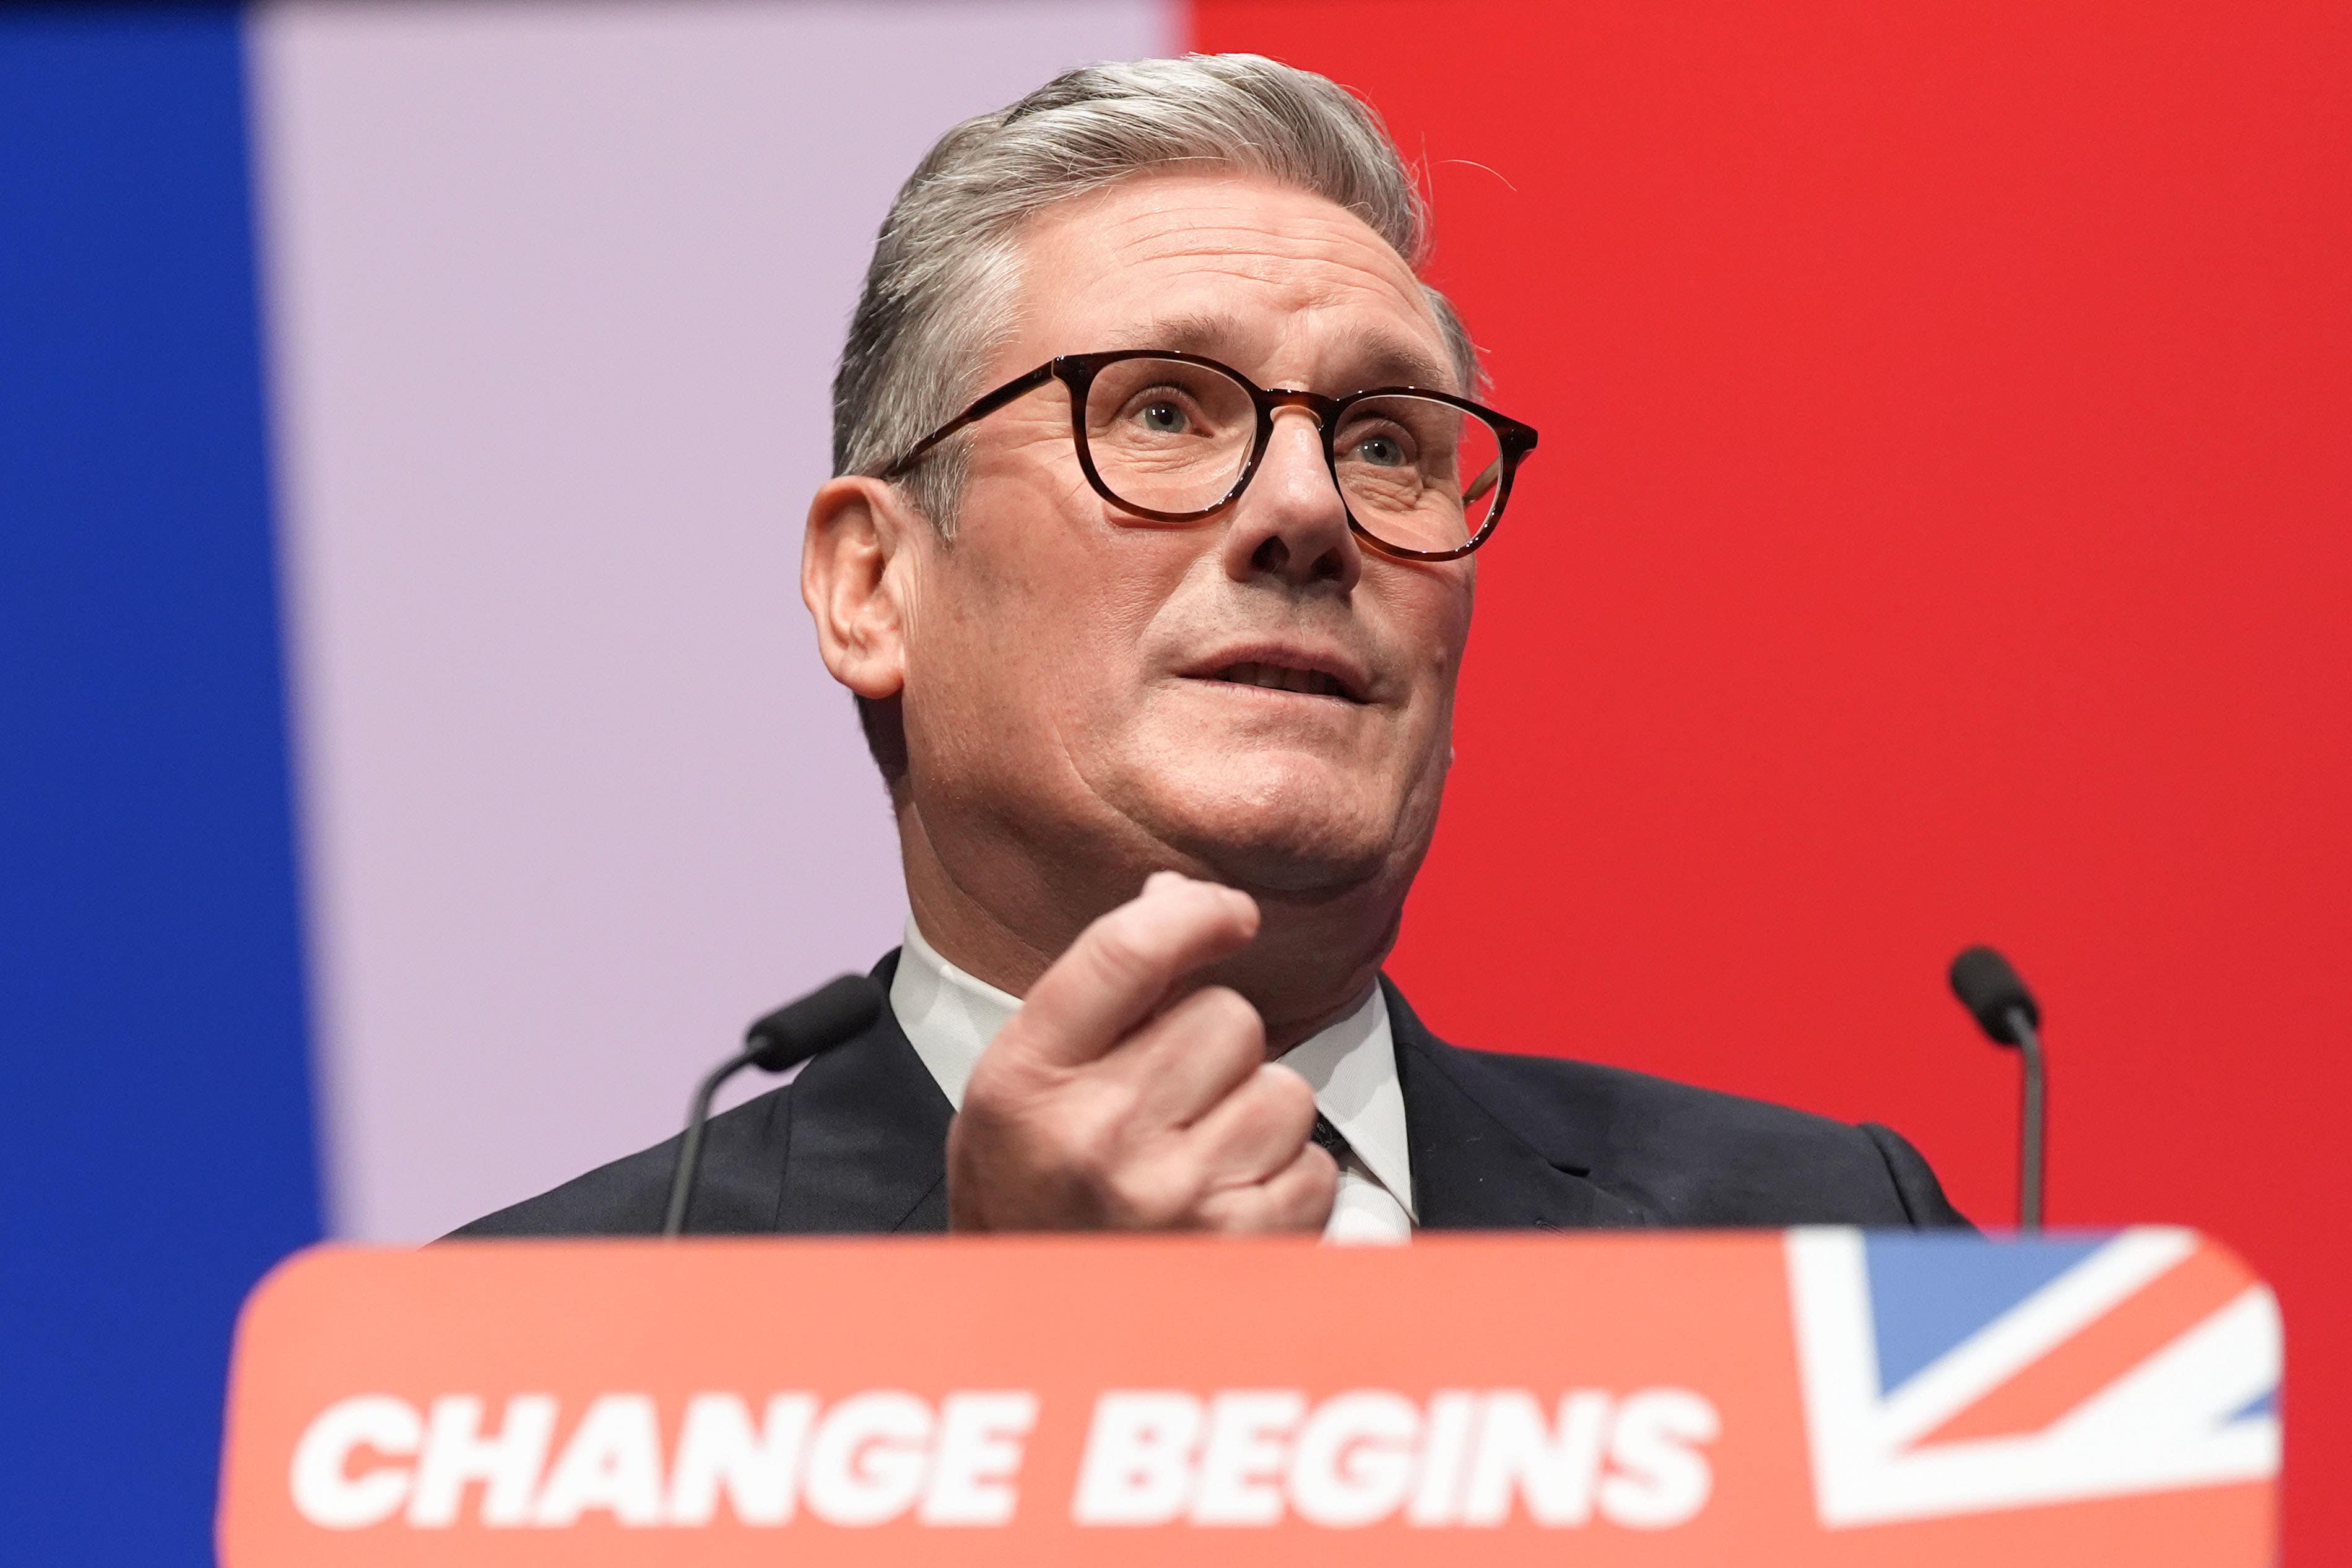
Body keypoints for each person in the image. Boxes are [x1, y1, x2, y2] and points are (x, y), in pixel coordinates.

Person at [458, 54, 1965, 1242]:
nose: (1307, 511)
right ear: (873, 583)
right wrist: (1028, 1389)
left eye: (1385, 442)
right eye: (1162, 413)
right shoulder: (551, 1353)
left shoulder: (1827, 1242)